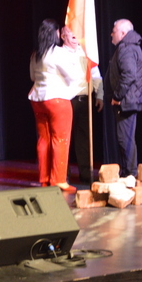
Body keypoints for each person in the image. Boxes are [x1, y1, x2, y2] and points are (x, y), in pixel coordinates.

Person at [28, 19, 78, 192]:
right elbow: (72, 76)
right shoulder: (57, 53)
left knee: (44, 139)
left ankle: (44, 179)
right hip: (57, 99)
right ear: (54, 33)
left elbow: (32, 77)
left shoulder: (36, 54)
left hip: (37, 99)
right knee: (60, 139)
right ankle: (58, 180)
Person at [60, 26, 104, 185]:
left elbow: (96, 76)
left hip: (85, 101)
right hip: (66, 101)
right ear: (63, 36)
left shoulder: (86, 53)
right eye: (70, 32)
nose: (74, 35)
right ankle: (63, 173)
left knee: (84, 138)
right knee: (64, 138)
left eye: (75, 32)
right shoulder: (58, 54)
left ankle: (86, 173)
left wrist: (100, 95)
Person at [104, 19, 142, 178]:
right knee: (125, 138)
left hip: (125, 102)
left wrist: (117, 96)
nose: (111, 34)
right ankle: (128, 172)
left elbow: (129, 75)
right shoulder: (128, 47)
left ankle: (130, 174)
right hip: (127, 101)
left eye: (114, 31)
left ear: (122, 33)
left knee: (125, 139)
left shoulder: (127, 48)